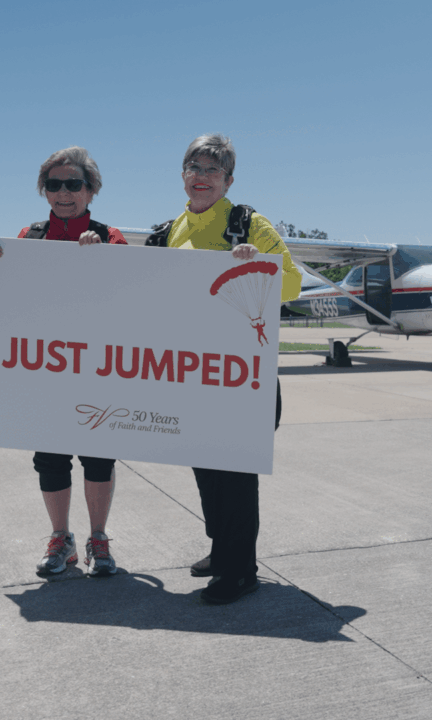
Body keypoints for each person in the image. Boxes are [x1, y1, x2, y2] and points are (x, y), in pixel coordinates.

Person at [145, 134, 301, 604]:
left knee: (233, 473)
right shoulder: (169, 230)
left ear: (229, 180)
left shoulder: (248, 224)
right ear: (183, 175)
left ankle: (240, 570)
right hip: (191, 372)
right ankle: (222, 548)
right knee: (205, 468)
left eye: (213, 170)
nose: (202, 176)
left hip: (240, 377)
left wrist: (261, 264)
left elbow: (291, 284)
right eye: (194, 167)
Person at [0, 146, 128, 578]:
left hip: (99, 367)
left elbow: (131, 299)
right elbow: (0, 302)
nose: (63, 193)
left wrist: (105, 254)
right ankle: (60, 537)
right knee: (50, 458)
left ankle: (98, 537)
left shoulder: (110, 235)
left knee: (99, 457)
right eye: (54, 184)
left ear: (91, 190)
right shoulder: (27, 238)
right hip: (45, 369)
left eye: (73, 184)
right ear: (44, 191)